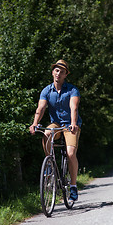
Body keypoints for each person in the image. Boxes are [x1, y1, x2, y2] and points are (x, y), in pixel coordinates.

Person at [29, 59, 82, 202]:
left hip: (70, 125)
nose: (58, 73)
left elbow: (73, 108)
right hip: (56, 124)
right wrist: (35, 123)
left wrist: (73, 123)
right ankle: (50, 164)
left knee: (71, 154)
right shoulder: (46, 90)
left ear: (66, 74)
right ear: (53, 72)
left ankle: (73, 186)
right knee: (46, 133)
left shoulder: (72, 90)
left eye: (62, 71)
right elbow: (40, 109)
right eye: (56, 70)